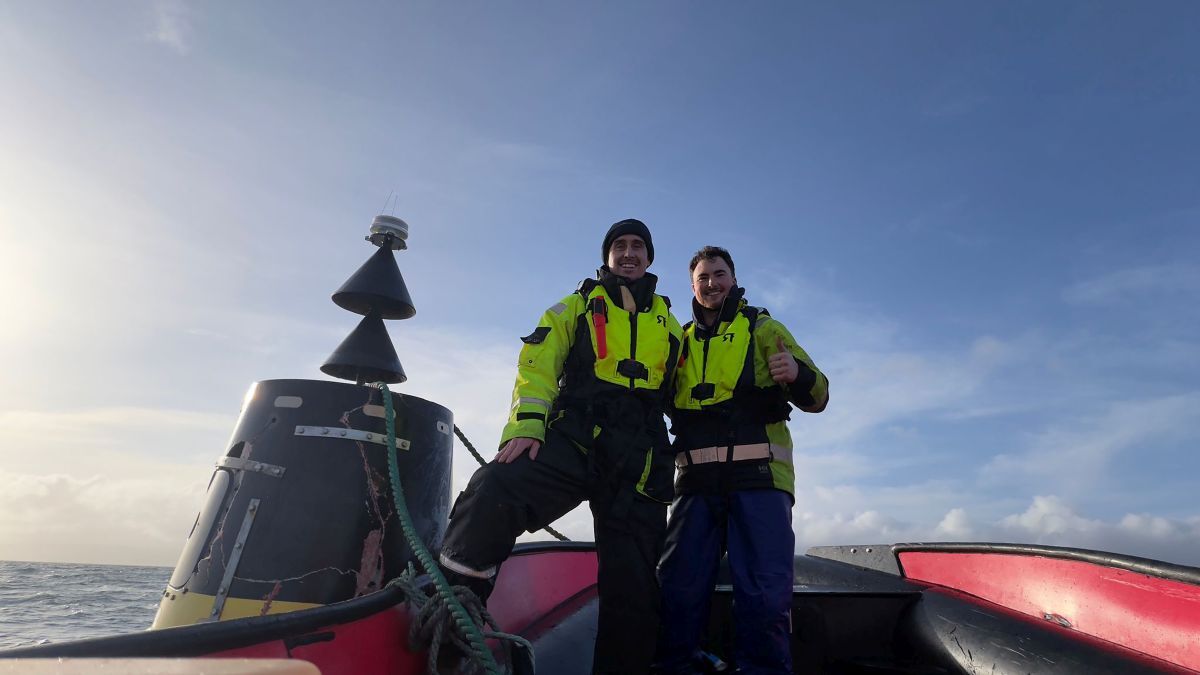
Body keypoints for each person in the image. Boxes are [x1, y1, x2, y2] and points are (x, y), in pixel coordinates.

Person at [439, 218, 684, 675]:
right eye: (619, 246)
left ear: (649, 258)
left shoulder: (672, 326)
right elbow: (538, 364)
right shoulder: (574, 307)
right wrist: (526, 428)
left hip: (641, 458)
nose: (628, 253)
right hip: (574, 439)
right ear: (607, 257)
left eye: (638, 246)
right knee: (495, 487)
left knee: (633, 590)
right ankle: (451, 614)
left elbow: (684, 393)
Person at [654, 246, 829, 675]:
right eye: (703, 277)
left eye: (720, 274)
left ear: (733, 278)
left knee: (764, 595)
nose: (712, 283)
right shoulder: (677, 341)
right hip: (695, 487)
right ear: (692, 286)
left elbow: (819, 395)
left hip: (760, 480)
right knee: (677, 589)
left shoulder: (765, 329)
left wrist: (798, 374)